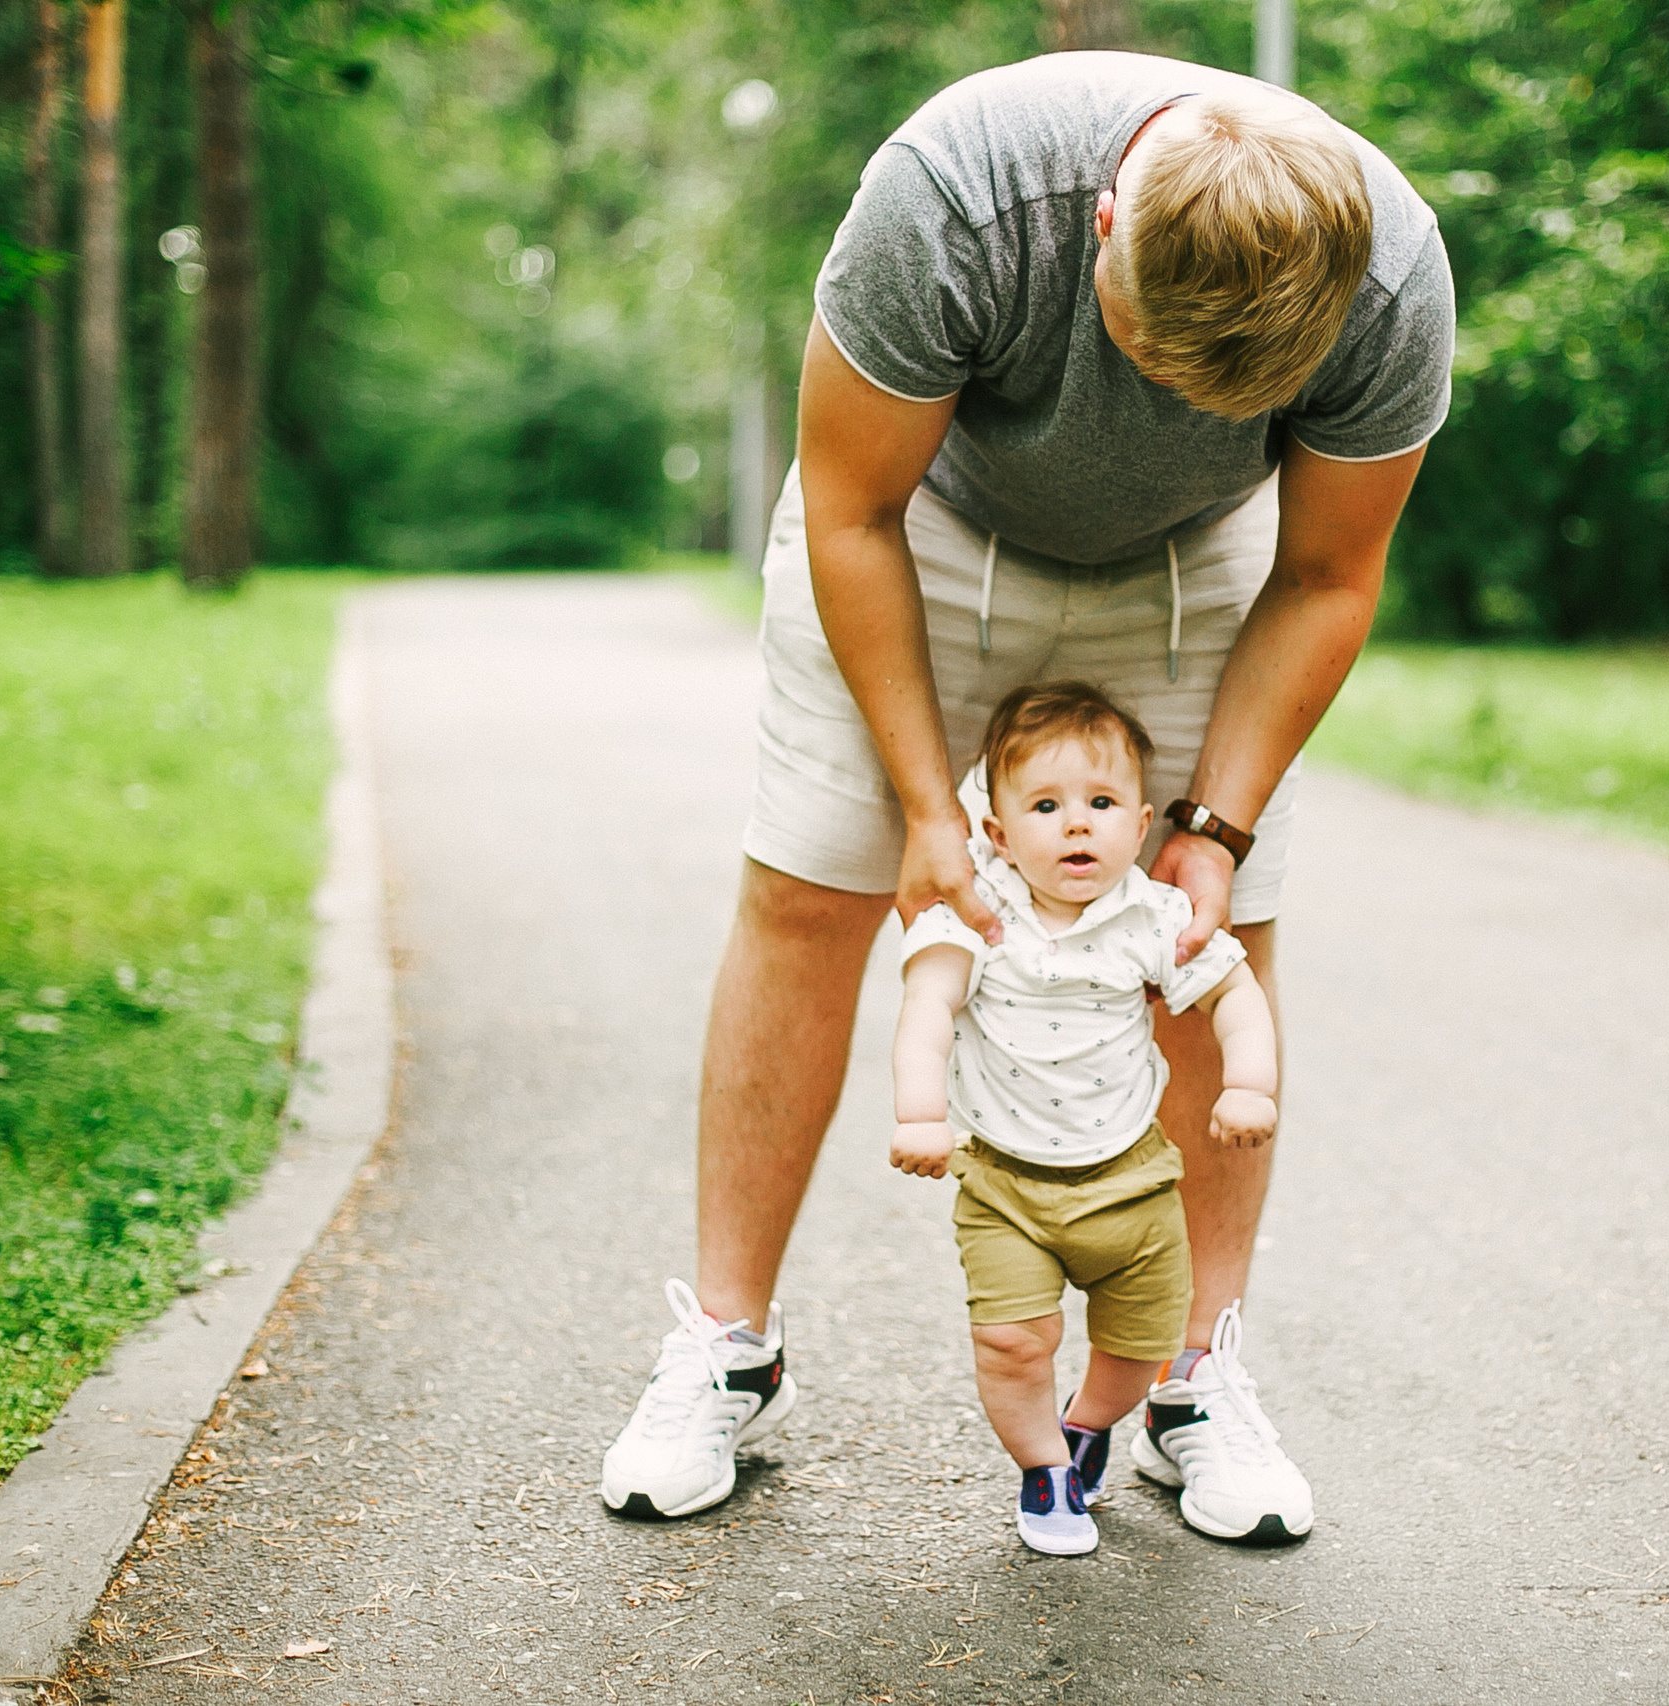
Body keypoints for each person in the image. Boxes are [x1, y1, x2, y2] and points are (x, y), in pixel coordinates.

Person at [599, 49, 1453, 1535]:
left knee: (1215, 929)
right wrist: (935, 810)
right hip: (920, 523)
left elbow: (1329, 573)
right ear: (1108, 219)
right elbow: (851, 508)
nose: (1170, 399)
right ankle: (725, 1347)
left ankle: (1192, 1374)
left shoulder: (1389, 285)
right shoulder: (956, 195)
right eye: (1150, 355)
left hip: (1208, 569)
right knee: (812, 890)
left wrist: (1216, 827)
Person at [889, 682, 1284, 1554]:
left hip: (1132, 1181)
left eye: (1101, 804)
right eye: (1046, 805)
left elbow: (1234, 993)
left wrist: (1248, 1083)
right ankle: (1043, 1468)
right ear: (996, 835)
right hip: (1005, 1183)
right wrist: (921, 1114)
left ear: (1139, 825)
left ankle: (1087, 1424)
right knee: (1011, 1342)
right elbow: (927, 1007)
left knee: (1137, 1350)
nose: (1077, 825)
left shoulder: (1153, 916)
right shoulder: (980, 916)